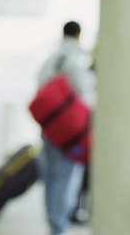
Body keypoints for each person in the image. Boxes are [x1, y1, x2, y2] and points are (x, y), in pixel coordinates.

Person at [35, 21, 95, 235]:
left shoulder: (51, 59)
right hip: (69, 132)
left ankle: (53, 222)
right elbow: (85, 92)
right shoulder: (75, 59)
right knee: (64, 178)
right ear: (78, 35)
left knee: (50, 177)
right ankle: (57, 227)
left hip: (49, 128)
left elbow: (40, 89)